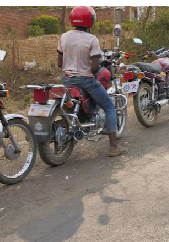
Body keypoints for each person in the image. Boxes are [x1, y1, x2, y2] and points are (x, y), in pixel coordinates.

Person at [57, 6, 128, 157]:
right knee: (109, 106)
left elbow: (59, 63)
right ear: (90, 20)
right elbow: (95, 67)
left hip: (67, 80)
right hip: (85, 81)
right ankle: (114, 147)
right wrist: (87, 69)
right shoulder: (91, 39)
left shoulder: (64, 37)